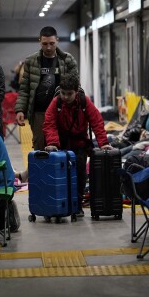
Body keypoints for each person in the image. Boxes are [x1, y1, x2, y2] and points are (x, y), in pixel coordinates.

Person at [43, 73, 110, 211]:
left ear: (76, 91)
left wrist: (103, 143)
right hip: (60, 145)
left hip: (80, 144)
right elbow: (49, 123)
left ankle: (77, 204)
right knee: (61, 175)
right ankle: (62, 203)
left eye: (69, 94)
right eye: (63, 93)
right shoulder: (56, 103)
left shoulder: (84, 102)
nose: (65, 97)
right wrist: (53, 143)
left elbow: (96, 121)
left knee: (80, 174)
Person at [15, 26, 79, 151]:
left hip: (63, 112)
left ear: (57, 41)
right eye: (45, 44)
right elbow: (24, 88)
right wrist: (20, 110)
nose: (48, 47)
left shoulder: (67, 60)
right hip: (39, 113)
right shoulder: (31, 61)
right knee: (40, 148)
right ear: (39, 41)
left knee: (63, 147)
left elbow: (76, 87)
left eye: (52, 43)